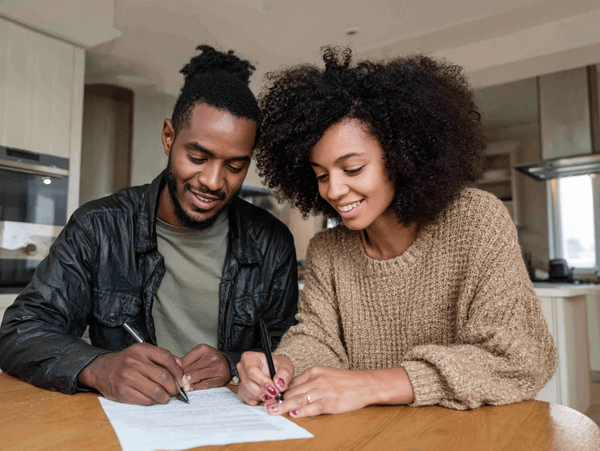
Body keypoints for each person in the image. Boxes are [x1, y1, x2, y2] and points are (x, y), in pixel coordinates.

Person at [237, 46, 558, 417]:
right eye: (321, 175)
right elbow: (319, 339)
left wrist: (374, 383)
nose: (334, 190)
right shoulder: (328, 249)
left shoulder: (476, 220)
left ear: (403, 157)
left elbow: (520, 358)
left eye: (353, 168)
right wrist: (284, 365)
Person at [0, 45, 298, 406]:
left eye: (235, 167)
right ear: (169, 137)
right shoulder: (99, 227)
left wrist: (232, 363)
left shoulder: (271, 242)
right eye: (198, 157)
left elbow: (291, 344)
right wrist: (99, 366)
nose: (214, 181)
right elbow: (20, 331)